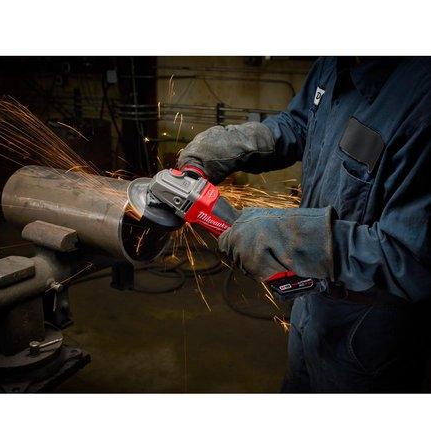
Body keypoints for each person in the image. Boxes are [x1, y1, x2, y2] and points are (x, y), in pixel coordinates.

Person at [177, 57, 431, 393]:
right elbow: (300, 123)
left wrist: (295, 236)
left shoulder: (421, 98)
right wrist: (246, 141)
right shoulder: (333, 63)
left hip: (369, 335)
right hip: (309, 302)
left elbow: (410, 258)